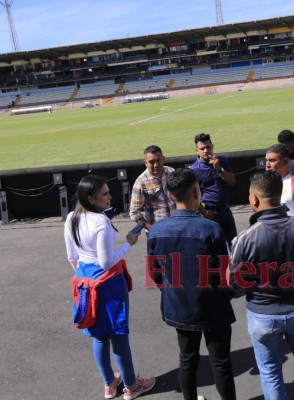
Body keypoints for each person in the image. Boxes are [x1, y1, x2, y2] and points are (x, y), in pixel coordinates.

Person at [229, 170, 294, 400]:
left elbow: (234, 286)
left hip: (263, 316)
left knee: (271, 373)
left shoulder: (243, 239)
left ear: (254, 199)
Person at [147, 168, 236, 400]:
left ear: (170, 196)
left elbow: (155, 274)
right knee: (221, 362)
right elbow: (223, 274)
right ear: (197, 192)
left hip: (180, 306)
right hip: (212, 306)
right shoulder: (211, 229)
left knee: (187, 360)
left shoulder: (156, 231)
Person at [64, 175, 155, 400]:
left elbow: (72, 258)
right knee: (119, 335)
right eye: (104, 194)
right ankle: (132, 387)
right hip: (109, 285)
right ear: (91, 198)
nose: (109, 197)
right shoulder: (100, 222)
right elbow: (106, 262)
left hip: (85, 283)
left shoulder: (71, 218)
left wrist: (86, 275)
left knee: (99, 337)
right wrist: (128, 244)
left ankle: (109, 384)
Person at [190, 132, 237, 246]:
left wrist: (219, 169)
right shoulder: (194, 170)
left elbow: (232, 181)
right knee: (216, 247)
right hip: (210, 213)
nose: (206, 150)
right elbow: (192, 196)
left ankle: (235, 264)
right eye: (202, 148)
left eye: (208, 147)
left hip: (226, 210)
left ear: (212, 147)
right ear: (197, 151)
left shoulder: (222, 161)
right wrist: (204, 212)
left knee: (235, 244)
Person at [129, 145, 175, 231]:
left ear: (163, 159)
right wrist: (152, 229)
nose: (156, 165)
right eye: (151, 162)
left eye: (158, 160)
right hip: (158, 231)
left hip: (176, 227)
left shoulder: (171, 172)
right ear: (145, 163)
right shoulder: (141, 182)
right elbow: (134, 212)